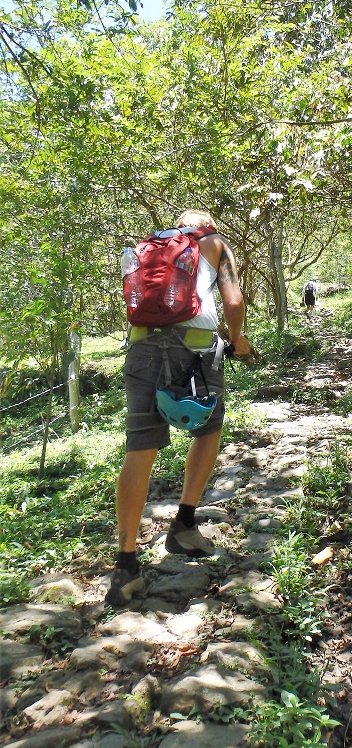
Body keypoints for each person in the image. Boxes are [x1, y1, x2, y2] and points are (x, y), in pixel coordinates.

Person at [106, 209, 252, 607]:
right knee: (208, 428)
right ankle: (185, 523)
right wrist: (236, 338)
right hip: (197, 350)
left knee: (139, 449)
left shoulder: (147, 248)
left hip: (141, 347)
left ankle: (126, 566)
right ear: (209, 226)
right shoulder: (216, 245)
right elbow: (233, 301)